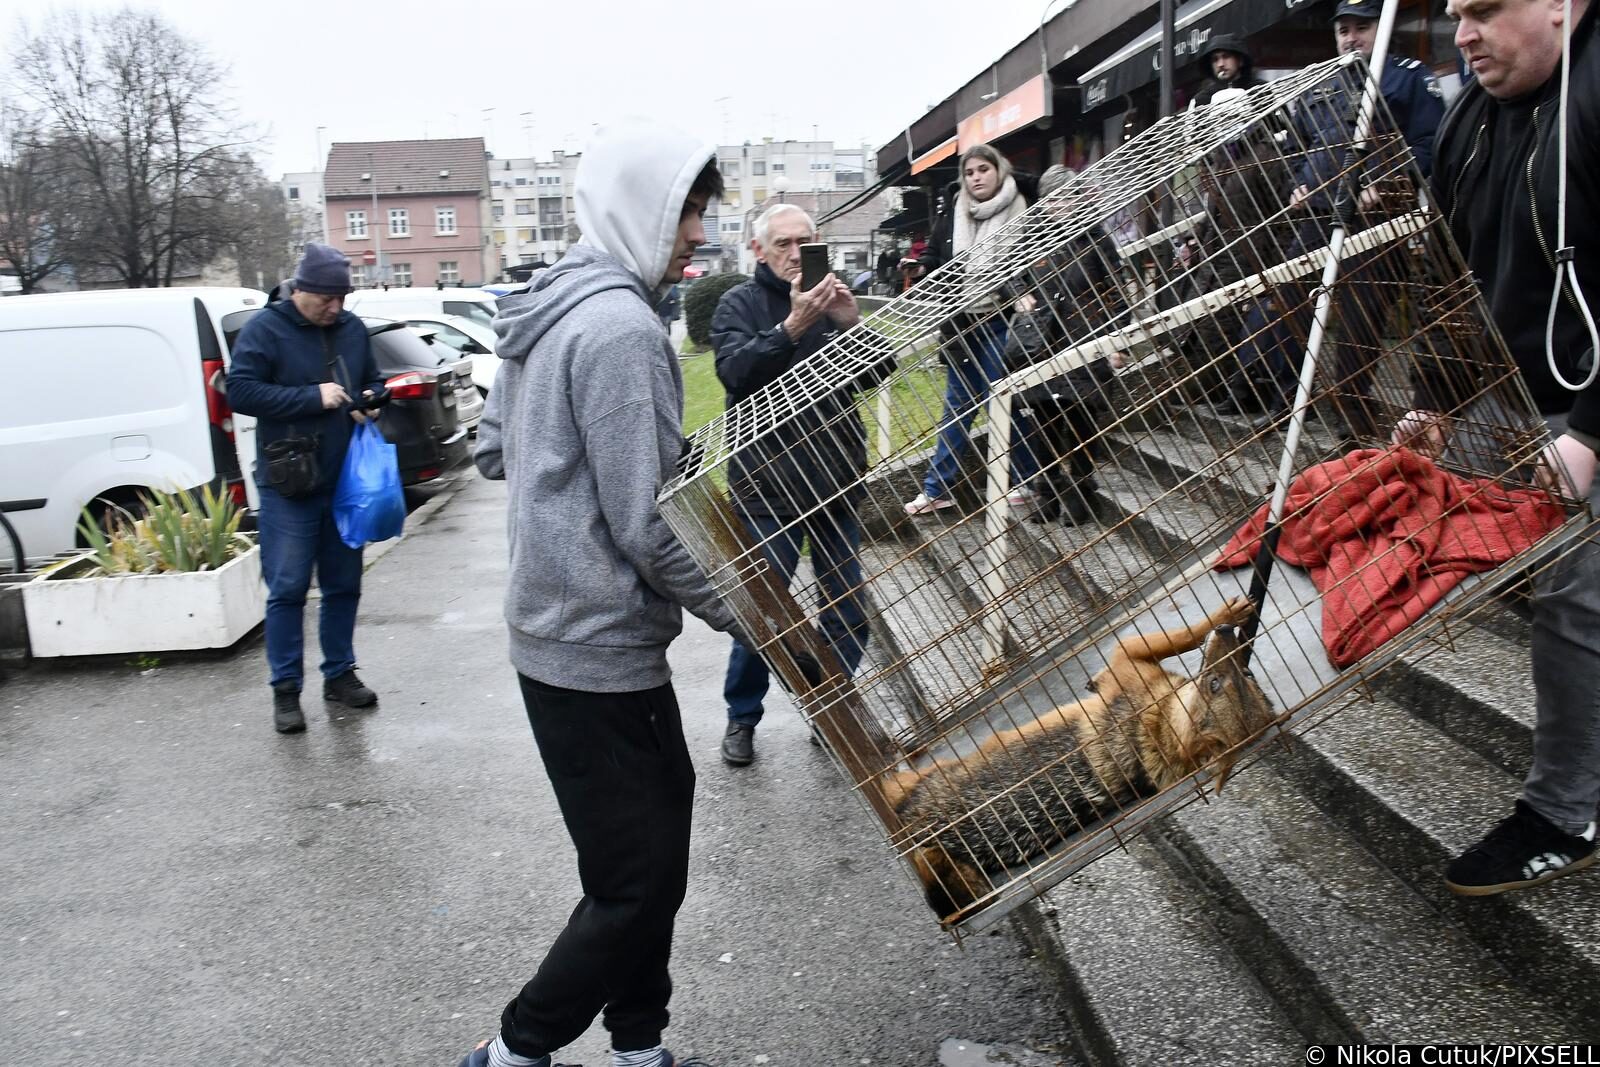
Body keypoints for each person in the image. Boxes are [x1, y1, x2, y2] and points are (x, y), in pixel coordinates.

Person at [465, 118, 743, 1067]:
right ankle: (513, 1052)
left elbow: (498, 452)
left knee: (637, 868)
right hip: (596, 646)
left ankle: (638, 1047)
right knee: (639, 878)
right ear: (641, 209)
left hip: (554, 633)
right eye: (685, 216)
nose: (695, 239)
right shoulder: (621, 328)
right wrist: (745, 610)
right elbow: (649, 522)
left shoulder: (541, 308)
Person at [1417, 0, 1600, 895]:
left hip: (1591, 391)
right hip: (1511, 386)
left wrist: (1593, 433)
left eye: (1485, 10)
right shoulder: (1469, 116)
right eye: (1455, 14)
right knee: (1430, 520)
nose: (1462, 34)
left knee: (1576, 594)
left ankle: (1568, 812)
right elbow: (1453, 274)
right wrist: (1433, 402)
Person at [1219, 0, 1443, 432]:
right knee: (1288, 307)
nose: (1350, 37)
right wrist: (1297, 184)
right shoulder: (1322, 83)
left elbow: (1428, 144)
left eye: (1362, 27)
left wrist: (1385, 181)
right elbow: (1296, 145)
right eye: (1343, 29)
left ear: (1383, 28)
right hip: (1317, 214)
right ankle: (1286, 403)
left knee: (1362, 319)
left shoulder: (1409, 78)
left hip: (1376, 219)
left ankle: (1350, 414)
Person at [710, 203, 872, 766]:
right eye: (783, 243)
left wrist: (851, 323)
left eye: (806, 240)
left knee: (846, 608)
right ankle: (742, 717)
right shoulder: (738, 303)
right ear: (758, 249)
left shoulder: (833, 301)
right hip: (767, 486)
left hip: (834, 479)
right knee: (765, 613)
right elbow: (735, 373)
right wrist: (792, 326)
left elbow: (878, 373)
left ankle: (833, 712)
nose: (796, 252)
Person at [227, 243, 385, 735]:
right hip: (289, 483)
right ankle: (285, 691)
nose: (336, 308)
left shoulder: (352, 330)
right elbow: (241, 390)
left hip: (344, 482)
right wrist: (310, 397)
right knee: (288, 589)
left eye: (343, 298)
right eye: (327, 299)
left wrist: (373, 400)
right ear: (302, 290)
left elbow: (373, 381)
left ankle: (339, 674)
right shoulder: (265, 329)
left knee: (343, 586)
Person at [903, 144, 1041, 516]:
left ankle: (1027, 478)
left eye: (983, 169)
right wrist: (919, 267)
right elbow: (935, 256)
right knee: (957, 409)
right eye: (969, 172)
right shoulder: (954, 209)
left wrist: (1023, 294)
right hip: (962, 323)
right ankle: (937, 489)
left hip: (1002, 319)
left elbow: (1031, 262)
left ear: (999, 169)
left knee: (1008, 402)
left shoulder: (1022, 206)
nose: (976, 177)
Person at [1003, 165, 1129, 525]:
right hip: (1043, 343)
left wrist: (1119, 340)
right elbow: (1011, 276)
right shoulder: (1032, 238)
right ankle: (1047, 491)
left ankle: (1081, 490)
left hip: (1087, 338)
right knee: (1044, 420)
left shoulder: (1095, 238)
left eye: (1068, 196)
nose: (1061, 204)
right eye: (1053, 198)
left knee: (1082, 418)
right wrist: (1020, 295)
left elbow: (1117, 290)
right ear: (1043, 202)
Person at [1191, 34, 1266, 107]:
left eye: (1226, 56)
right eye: (1215, 59)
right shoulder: (1201, 100)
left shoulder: (1260, 89)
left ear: (1240, 61)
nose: (1220, 64)